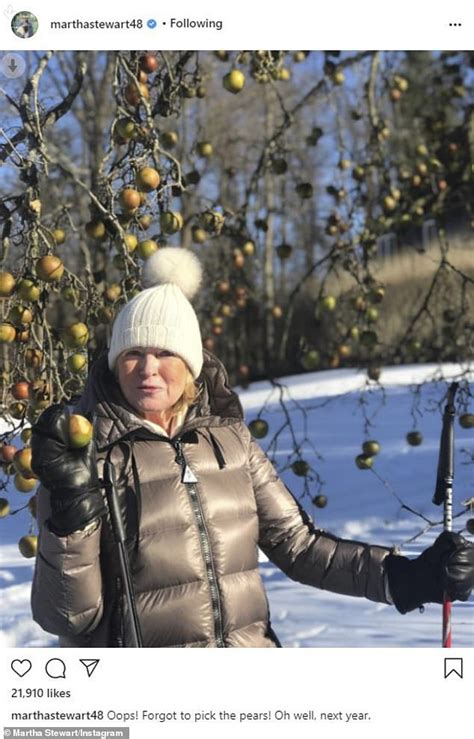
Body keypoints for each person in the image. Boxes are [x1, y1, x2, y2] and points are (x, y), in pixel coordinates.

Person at [30, 247, 474, 647]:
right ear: (114, 362)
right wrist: (70, 515)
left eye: (165, 353)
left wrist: (408, 578)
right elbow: (66, 615)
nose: (148, 368)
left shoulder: (231, 441)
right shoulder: (83, 457)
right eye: (132, 354)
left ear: (191, 365)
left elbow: (300, 547)